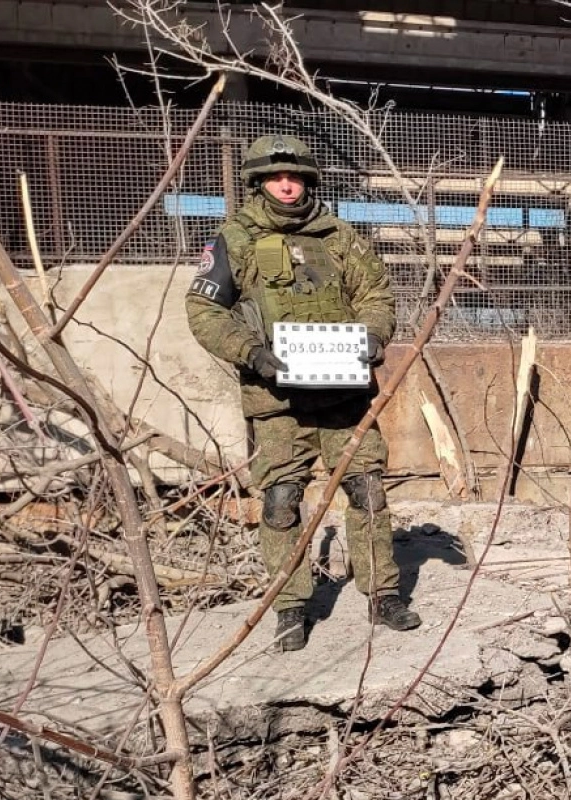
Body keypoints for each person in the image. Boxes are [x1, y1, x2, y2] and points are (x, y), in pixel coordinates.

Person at [185, 134, 420, 652]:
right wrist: (252, 352)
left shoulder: (338, 236)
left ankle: (384, 596)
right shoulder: (233, 239)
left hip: (345, 398)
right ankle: (290, 606)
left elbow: (376, 294)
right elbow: (204, 311)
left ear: (308, 181)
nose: (287, 186)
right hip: (278, 404)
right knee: (280, 501)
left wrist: (375, 336)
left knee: (368, 492)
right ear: (259, 182)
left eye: (295, 177)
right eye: (276, 177)